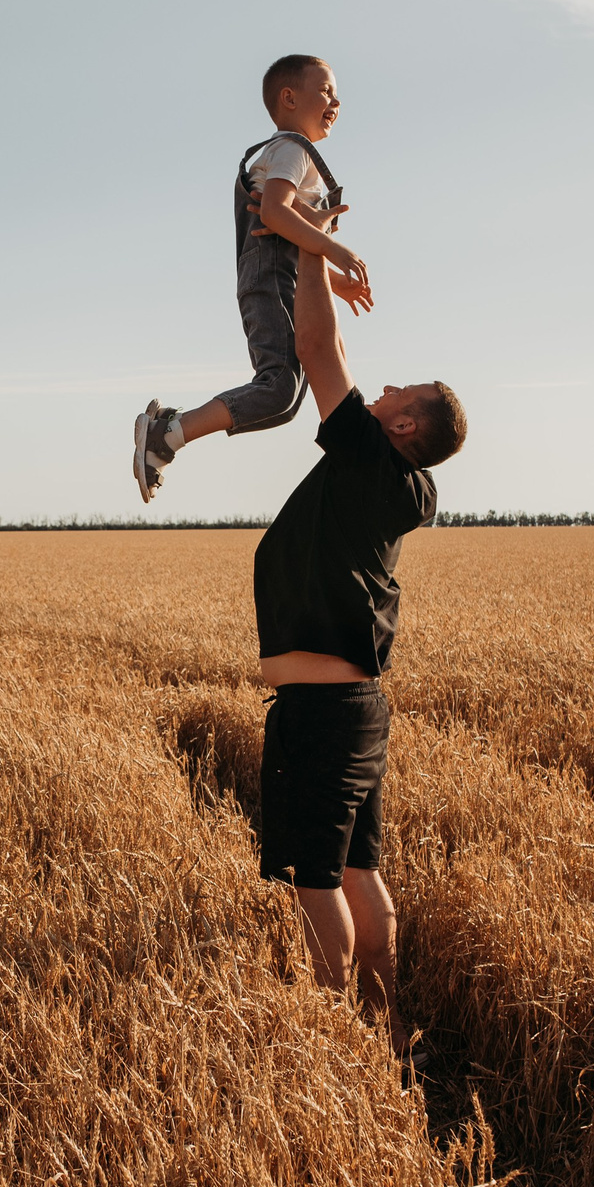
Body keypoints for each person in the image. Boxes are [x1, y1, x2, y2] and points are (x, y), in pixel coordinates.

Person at [249, 234, 465, 1055]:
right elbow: (331, 348)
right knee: (359, 873)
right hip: (358, 711)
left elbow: (315, 347)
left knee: (315, 883)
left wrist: (308, 245)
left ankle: (336, 1038)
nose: (378, 390)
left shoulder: (373, 458)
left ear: (404, 422)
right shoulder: (403, 481)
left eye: (394, 392)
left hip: (319, 713)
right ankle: (390, 1024)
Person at [134, 54, 374, 502]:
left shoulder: (293, 153)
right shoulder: (292, 150)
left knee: (284, 397)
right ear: (289, 97)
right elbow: (273, 212)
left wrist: (337, 284)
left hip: (279, 277)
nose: (336, 101)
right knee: (281, 383)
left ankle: (170, 431)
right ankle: (169, 432)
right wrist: (335, 247)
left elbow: (290, 234)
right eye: (326, 91)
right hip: (268, 278)